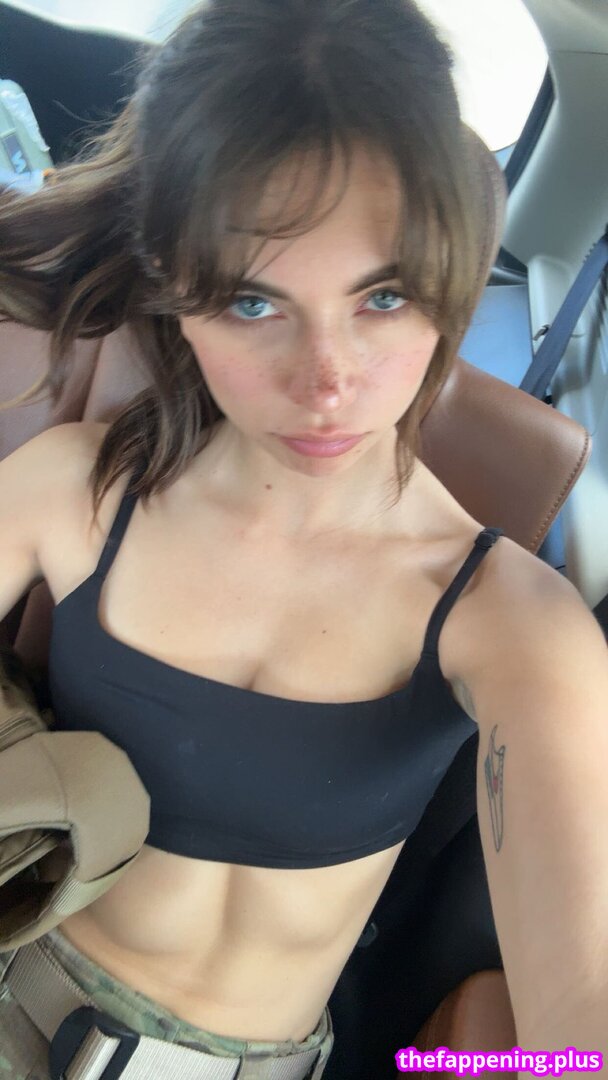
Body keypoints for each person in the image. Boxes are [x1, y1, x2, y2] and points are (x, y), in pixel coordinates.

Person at [1, 1, 607, 1077]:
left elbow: (579, 1014)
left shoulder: (513, 627)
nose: (326, 383)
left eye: (383, 297)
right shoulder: (74, 491)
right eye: (252, 303)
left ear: (449, 282)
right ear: (174, 285)